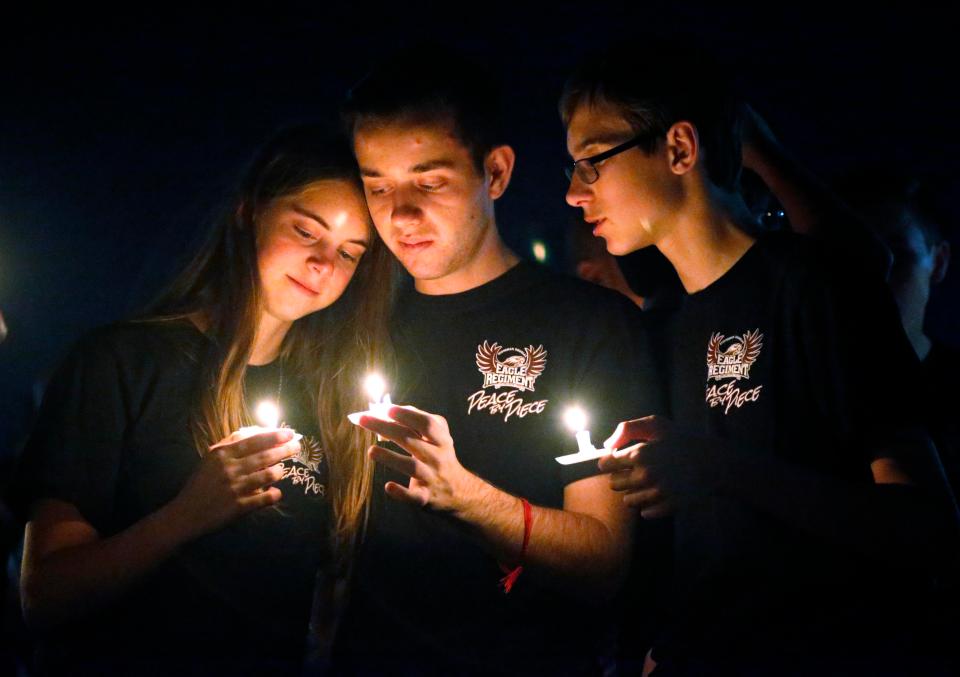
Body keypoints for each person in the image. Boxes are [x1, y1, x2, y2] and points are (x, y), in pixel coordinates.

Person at [560, 45, 960, 674]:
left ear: (679, 150)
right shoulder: (664, 323)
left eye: (590, 164)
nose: (572, 194)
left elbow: (926, 529)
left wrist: (716, 465)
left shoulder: (814, 289)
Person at [9, 124, 396, 676]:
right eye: (306, 232)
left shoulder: (333, 401)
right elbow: (44, 596)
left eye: (349, 253)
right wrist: (187, 515)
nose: (323, 264)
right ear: (247, 213)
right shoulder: (121, 362)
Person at [331, 45, 661, 675]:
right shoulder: (355, 325)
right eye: (377, 186)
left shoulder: (589, 324)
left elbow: (604, 563)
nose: (399, 214)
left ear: (497, 173)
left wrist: (464, 496)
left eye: (429, 181)